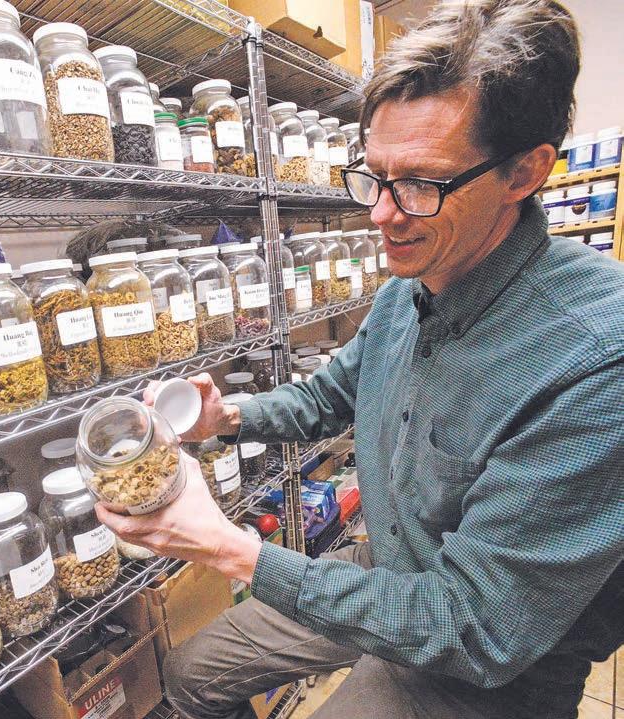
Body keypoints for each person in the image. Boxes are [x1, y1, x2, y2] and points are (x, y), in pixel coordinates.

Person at [96, 1, 624, 717]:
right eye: (374, 175)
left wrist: (231, 549)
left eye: (422, 183)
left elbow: (475, 627)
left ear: (525, 172)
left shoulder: (596, 362)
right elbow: (329, 397)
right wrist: (226, 418)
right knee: (191, 673)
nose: (379, 214)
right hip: (393, 560)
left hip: (482, 664)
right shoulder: (412, 284)